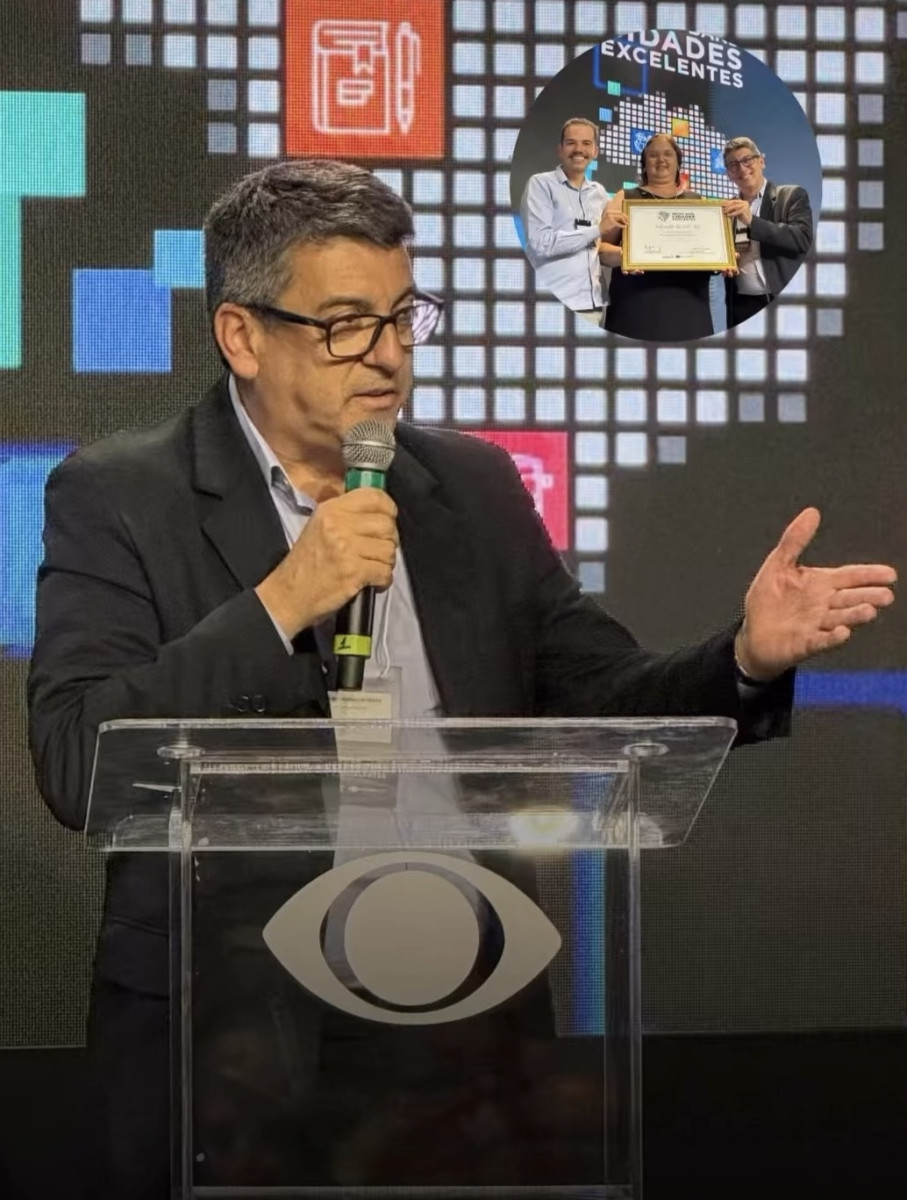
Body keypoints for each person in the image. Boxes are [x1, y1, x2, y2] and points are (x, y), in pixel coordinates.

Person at [27, 159, 895, 1197]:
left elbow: (599, 696)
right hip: (236, 1032)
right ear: (242, 336)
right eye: (346, 325)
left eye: (403, 316)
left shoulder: (469, 487)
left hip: (466, 1018)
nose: (388, 355)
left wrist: (743, 657)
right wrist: (281, 602)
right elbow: (78, 762)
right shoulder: (121, 496)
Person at [598, 133, 714, 341]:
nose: (661, 160)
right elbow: (600, 250)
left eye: (668, 154)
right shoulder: (625, 197)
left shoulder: (698, 201)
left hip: (689, 305)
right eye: (653, 155)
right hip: (635, 306)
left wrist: (724, 259)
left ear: (678, 162)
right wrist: (628, 256)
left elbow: (713, 250)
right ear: (644, 164)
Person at [518, 118, 618, 315]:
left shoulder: (599, 192)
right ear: (560, 149)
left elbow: (622, 221)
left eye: (586, 143)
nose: (579, 149)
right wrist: (597, 230)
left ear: (595, 152)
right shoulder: (540, 185)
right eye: (571, 143)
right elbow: (541, 244)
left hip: (593, 305)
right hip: (551, 305)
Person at [720, 136, 814, 329]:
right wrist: (724, 261)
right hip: (742, 304)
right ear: (729, 174)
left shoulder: (791, 196)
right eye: (733, 165)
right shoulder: (726, 210)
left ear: (761, 161)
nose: (742, 168)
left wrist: (751, 221)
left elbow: (802, 239)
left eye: (747, 160)